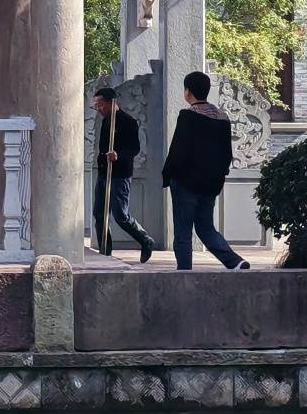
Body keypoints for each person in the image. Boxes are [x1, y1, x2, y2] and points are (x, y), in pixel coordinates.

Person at [161, 70, 250, 272]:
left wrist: (168, 175)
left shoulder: (188, 115)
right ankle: (235, 262)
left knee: (183, 232)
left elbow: (178, 150)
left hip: (185, 183)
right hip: (210, 184)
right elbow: (226, 153)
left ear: (188, 91)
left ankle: (184, 272)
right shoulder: (222, 118)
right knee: (206, 227)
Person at [92, 86, 154, 263]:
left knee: (120, 215)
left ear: (112, 103)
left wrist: (118, 155)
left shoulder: (128, 122)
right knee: (99, 214)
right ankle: (105, 252)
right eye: (96, 105)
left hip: (120, 175)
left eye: (100, 104)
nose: (98, 108)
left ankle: (145, 239)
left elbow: (134, 148)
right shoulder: (105, 121)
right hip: (104, 173)